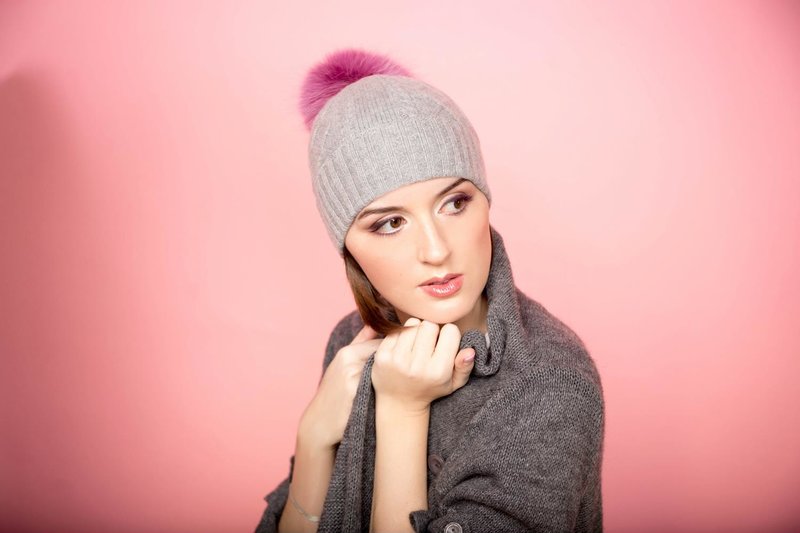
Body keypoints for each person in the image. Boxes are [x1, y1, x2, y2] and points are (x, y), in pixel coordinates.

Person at [254, 48, 605, 533]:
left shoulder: (548, 383)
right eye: (391, 223)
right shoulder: (351, 345)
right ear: (348, 246)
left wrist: (402, 408)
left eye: (455, 202)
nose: (437, 250)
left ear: (485, 199)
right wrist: (314, 439)